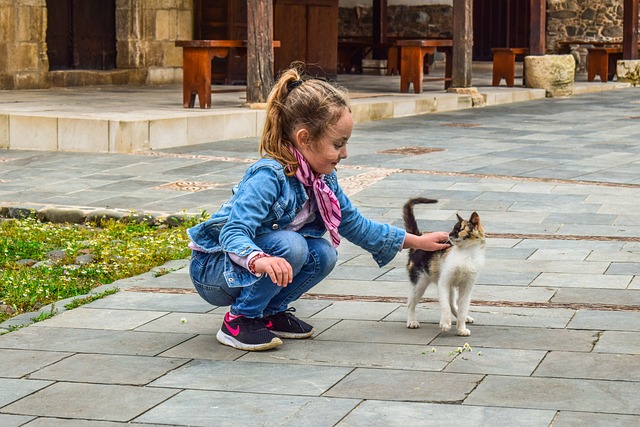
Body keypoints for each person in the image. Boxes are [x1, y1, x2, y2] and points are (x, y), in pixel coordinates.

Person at [187, 66, 450, 351]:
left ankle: (270, 312)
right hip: (215, 270)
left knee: (323, 253)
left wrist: (419, 242)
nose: (345, 153)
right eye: (338, 144)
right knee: (293, 245)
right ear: (304, 139)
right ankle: (239, 320)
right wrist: (259, 260)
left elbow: (357, 225)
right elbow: (233, 231)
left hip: (253, 265)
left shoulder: (321, 180)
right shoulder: (268, 176)